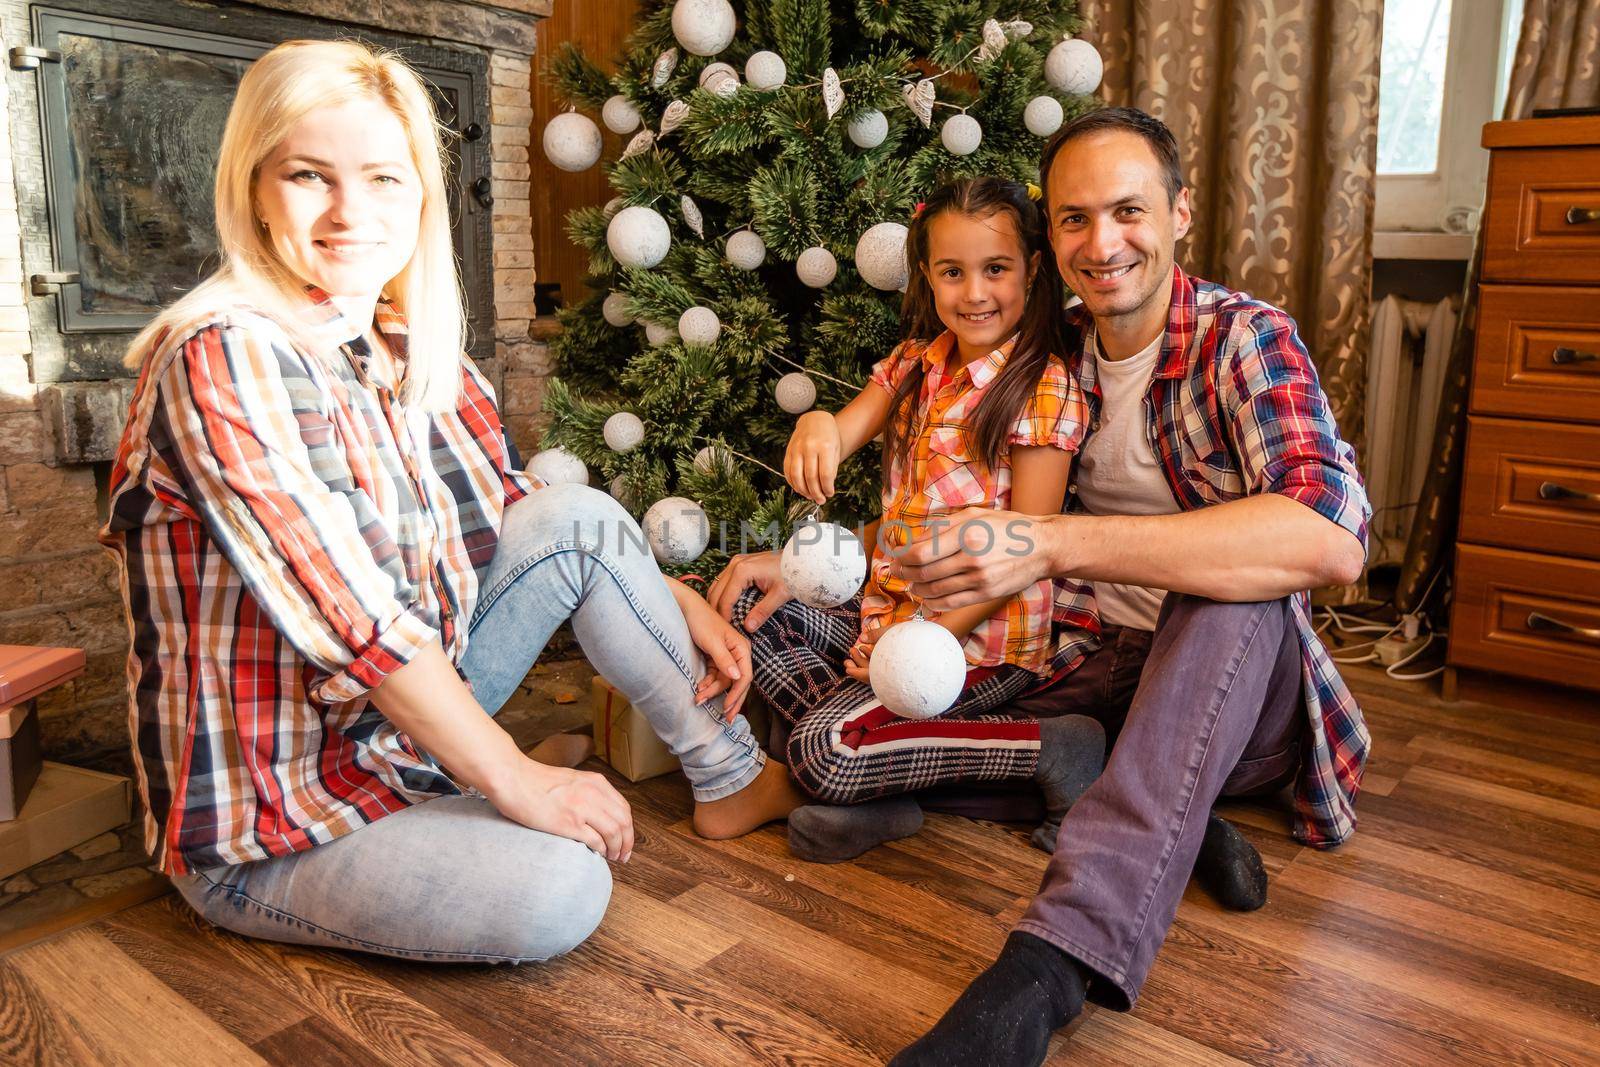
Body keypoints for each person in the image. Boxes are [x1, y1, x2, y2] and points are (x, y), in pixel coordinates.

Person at [98, 39, 799, 965]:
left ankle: (730, 776)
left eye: (384, 178)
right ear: (253, 187)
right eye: (310, 174)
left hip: (384, 744)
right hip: (276, 823)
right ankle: (472, 792)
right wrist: (517, 780)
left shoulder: (408, 345)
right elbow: (361, 628)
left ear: (420, 193)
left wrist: (670, 596)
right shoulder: (227, 353)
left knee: (579, 515)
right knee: (562, 889)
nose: (352, 212)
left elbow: (525, 509)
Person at [884, 107, 1372, 1065]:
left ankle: (1044, 972)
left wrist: (1057, 542)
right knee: (871, 702)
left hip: (1235, 691)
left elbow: (1331, 537)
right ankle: (1165, 831)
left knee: (1234, 587)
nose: (1102, 244)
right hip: (1091, 669)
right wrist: (809, 555)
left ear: (1180, 212)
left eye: (1128, 211)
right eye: (1072, 220)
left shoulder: (1244, 340)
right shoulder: (1039, 350)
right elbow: (933, 489)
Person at [733, 177, 1106, 862]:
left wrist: (917, 644)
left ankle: (1054, 748)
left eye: (996, 269)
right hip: (886, 613)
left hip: (979, 638)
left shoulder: (1042, 388)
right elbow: (841, 430)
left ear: (1032, 268)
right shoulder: (913, 365)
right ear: (927, 276)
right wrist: (816, 425)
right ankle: (876, 792)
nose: (975, 293)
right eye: (952, 272)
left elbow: (1027, 551)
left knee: (822, 749)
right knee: (745, 603)